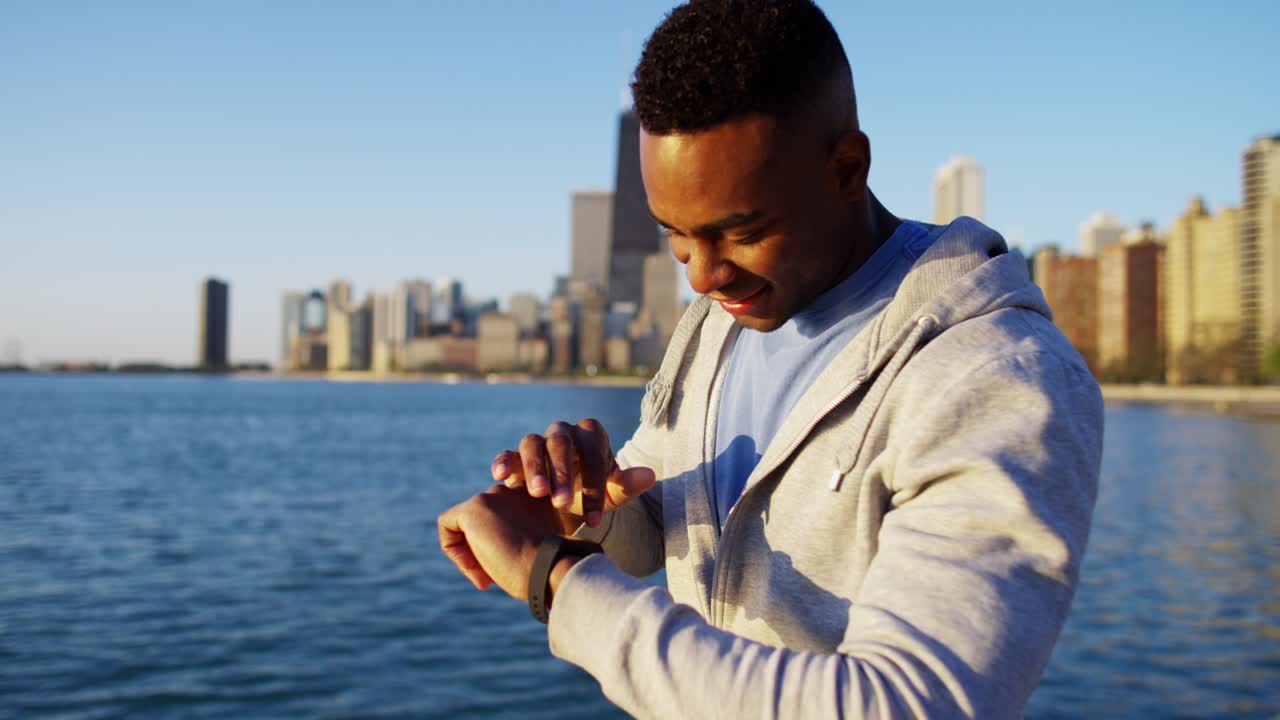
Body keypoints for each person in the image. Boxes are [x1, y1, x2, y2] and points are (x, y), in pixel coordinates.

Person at [437, 0, 1103, 716]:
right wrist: (586, 509)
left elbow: (910, 705)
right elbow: (655, 533)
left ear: (847, 168)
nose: (701, 275)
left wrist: (559, 579)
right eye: (677, 236)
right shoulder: (719, 320)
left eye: (740, 232)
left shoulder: (995, 377)